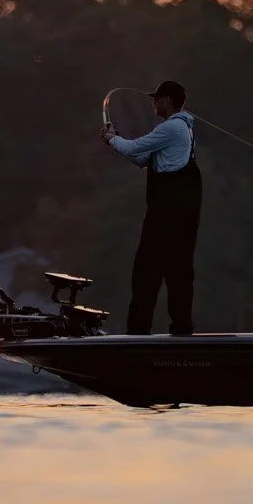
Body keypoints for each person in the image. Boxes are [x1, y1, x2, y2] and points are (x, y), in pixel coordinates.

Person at [101, 80, 201, 336]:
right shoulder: (181, 129)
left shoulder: (172, 128)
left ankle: (138, 331)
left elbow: (134, 148)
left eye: (156, 98)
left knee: (148, 268)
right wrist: (116, 140)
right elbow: (142, 159)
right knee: (178, 267)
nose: (153, 103)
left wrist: (113, 139)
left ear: (167, 101)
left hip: (169, 207)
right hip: (183, 207)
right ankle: (182, 328)